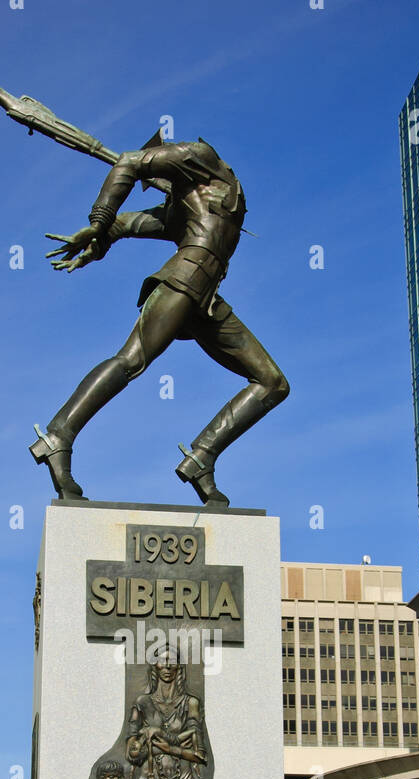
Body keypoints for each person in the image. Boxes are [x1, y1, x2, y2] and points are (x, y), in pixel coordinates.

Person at [30, 135, 289, 507]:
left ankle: (202, 457)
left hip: (206, 301)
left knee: (273, 383)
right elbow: (129, 166)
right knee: (131, 360)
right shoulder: (195, 171)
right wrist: (98, 227)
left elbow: (127, 218)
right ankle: (59, 436)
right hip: (183, 281)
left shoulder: (204, 179)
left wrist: (107, 232)